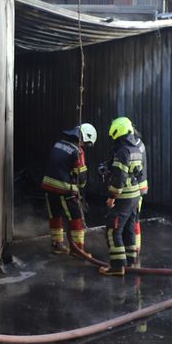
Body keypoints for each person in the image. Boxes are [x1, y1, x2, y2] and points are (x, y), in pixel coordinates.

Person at [99, 117, 148, 276]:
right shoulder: (136, 148)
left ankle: (117, 267)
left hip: (124, 197)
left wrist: (112, 196)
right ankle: (130, 260)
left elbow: (119, 179)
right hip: (135, 196)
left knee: (113, 229)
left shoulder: (122, 152)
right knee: (128, 229)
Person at [40, 123, 97, 254]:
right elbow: (81, 177)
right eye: (85, 143)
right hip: (65, 190)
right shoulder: (77, 151)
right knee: (76, 217)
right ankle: (78, 250)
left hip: (48, 186)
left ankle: (57, 245)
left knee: (55, 215)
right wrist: (81, 191)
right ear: (83, 138)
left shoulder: (58, 144)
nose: (84, 146)